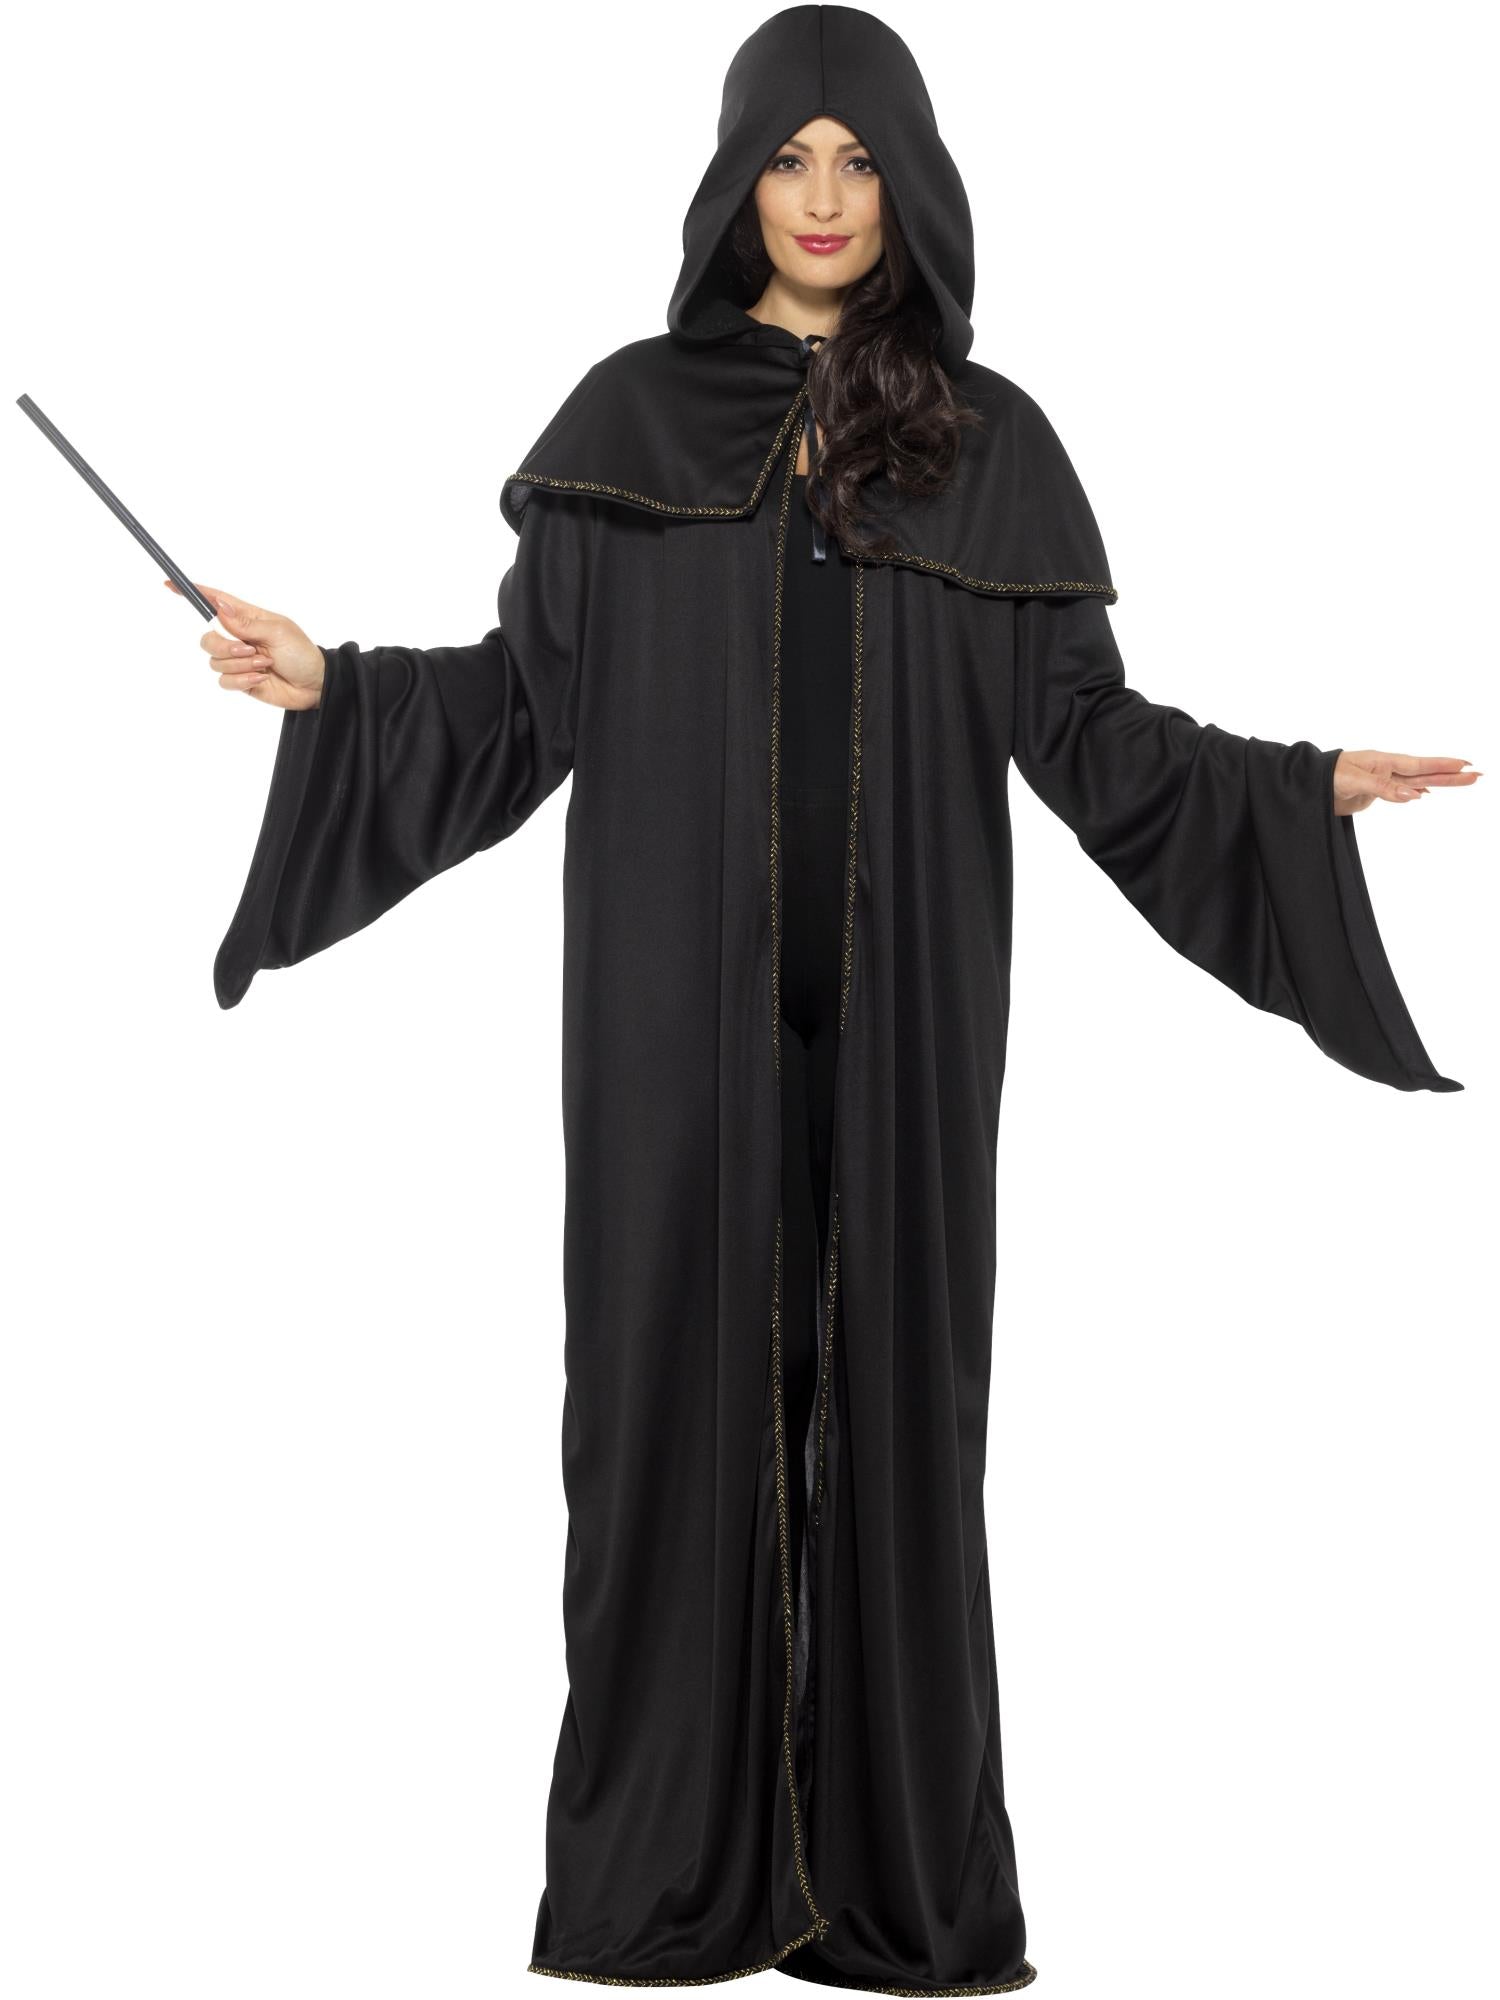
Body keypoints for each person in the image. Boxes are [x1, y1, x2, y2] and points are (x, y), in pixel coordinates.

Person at [172, 6, 1476, 1992]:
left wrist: (1295, 789)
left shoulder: (987, 440)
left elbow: (1090, 735)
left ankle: (892, 1890)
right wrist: (336, 685)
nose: (824, 197)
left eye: (860, 160)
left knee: (902, 1420)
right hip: (664, 1016)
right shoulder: (626, 421)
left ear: (911, 184)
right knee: (655, 1415)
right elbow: (523, 706)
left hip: (910, 1012)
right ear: (735, 181)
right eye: (790, 157)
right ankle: (658, 1887)